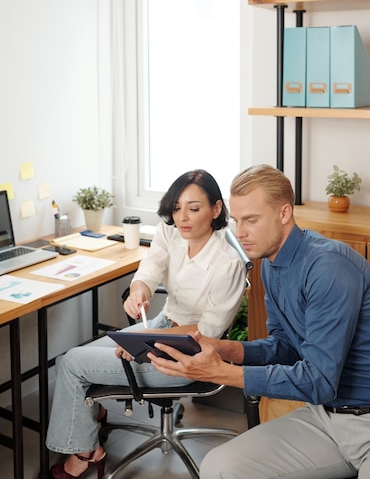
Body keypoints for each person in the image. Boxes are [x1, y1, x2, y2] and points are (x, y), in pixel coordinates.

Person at [149, 164, 370, 479]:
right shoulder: (271, 267)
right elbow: (286, 346)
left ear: (284, 213)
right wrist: (225, 349)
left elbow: (319, 381)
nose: (240, 232)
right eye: (237, 220)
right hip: (326, 420)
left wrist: (225, 373)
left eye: (251, 220)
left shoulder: (327, 266)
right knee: (219, 467)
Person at [47, 169, 247, 479]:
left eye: (194, 208)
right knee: (74, 358)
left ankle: (86, 453)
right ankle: (91, 418)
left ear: (216, 209)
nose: (183, 217)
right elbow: (150, 269)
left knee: (73, 363)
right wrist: (139, 290)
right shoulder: (172, 232)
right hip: (161, 325)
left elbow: (207, 335)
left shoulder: (227, 263)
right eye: (177, 208)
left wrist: (147, 343)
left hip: (189, 355)